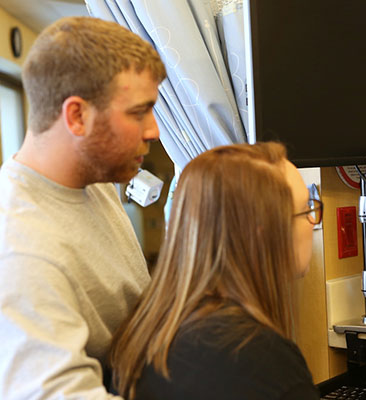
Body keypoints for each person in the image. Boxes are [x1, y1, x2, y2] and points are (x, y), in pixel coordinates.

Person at [0, 17, 166, 399]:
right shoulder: (20, 248)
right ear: (77, 116)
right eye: (138, 112)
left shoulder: (97, 180)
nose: (153, 130)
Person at [109, 142, 321, 400]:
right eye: (307, 210)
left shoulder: (147, 328)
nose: (313, 222)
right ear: (261, 234)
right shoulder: (260, 360)